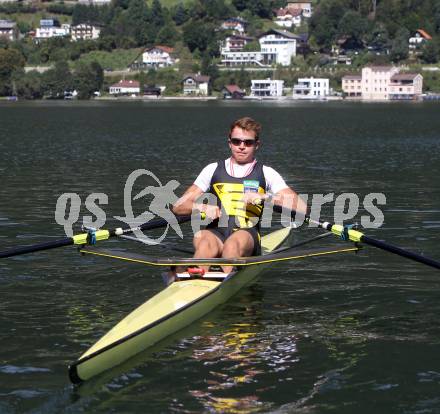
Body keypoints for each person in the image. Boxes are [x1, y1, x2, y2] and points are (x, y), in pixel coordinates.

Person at [172, 116, 307, 274]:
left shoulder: (266, 173)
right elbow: (178, 207)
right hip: (215, 232)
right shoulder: (212, 169)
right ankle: (194, 276)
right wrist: (200, 207)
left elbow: (302, 208)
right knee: (204, 242)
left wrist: (266, 197)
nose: (241, 146)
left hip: (246, 233)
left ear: (257, 145)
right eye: (236, 141)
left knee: (232, 245)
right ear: (229, 143)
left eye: (248, 142)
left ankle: (223, 280)